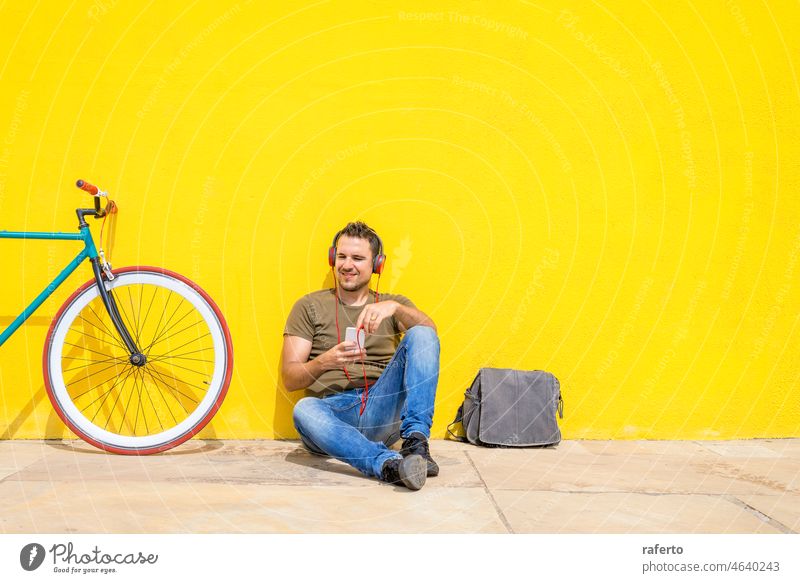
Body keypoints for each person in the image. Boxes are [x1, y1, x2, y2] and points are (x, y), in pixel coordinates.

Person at [282, 221, 440, 490]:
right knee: (304, 409)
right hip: (334, 414)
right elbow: (290, 378)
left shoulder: (391, 304)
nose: (347, 265)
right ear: (332, 259)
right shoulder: (309, 306)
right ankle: (388, 465)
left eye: (357, 258)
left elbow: (430, 335)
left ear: (377, 264)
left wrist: (394, 308)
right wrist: (325, 361)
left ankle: (416, 446)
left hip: (383, 406)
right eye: (341, 257)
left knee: (422, 333)